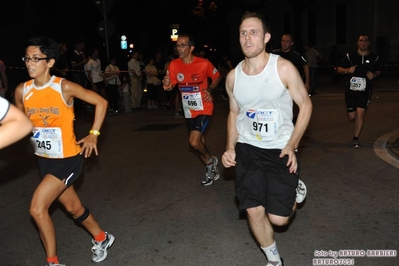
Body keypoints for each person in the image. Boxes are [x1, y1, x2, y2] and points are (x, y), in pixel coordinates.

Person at [221, 12, 312, 266]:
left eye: (254, 32)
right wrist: (230, 146)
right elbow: (233, 113)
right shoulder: (233, 77)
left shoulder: (282, 68)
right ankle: (273, 260)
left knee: (279, 220)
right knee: (253, 208)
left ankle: (295, 188)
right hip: (248, 149)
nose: (247, 38)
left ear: (266, 37)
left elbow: (305, 105)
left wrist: (292, 144)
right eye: (243, 33)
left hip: (280, 149)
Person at [14, 36, 114, 266]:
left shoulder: (63, 86)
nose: (29, 63)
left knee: (37, 209)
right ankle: (102, 238)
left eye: (36, 59)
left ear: (49, 62)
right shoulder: (23, 90)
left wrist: (94, 133)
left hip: (67, 159)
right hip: (45, 160)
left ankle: (53, 263)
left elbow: (101, 102)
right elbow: (19, 122)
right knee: (73, 207)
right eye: (27, 58)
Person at [163, 33, 222, 186]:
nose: (179, 48)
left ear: (191, 48)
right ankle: (211, 169)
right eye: (177, 46)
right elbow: (171, 85)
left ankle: (211, 161)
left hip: (204, 107)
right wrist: (167, 85)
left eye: (183, 45)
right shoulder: (174, 65)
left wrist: (210, 89)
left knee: (193, 142)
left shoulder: (203, 63)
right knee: (199, 143)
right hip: (189, 109)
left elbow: (217, 76)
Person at [337, 33, 381, 149]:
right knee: (352, 116)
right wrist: (347, 70)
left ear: (369, 43)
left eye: (365, 41)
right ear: (358, 42)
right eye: (361, 40)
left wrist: (374, 74)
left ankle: (356, 139)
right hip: (351, 91)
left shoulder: (374, 57)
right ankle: (354, 125)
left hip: (365, 91)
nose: (363, 43)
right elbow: (339, 69)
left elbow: (379, 70)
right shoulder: (350, 56)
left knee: (360, 114)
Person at [69, 40, 89, 116]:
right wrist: (83, 61)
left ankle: (82, 108)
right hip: (76, 74)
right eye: (82, 45)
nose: (83, 47)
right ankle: (78, 110)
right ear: (78, 46)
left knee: (83, 90)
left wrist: (83, 57)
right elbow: (73, 65)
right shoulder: (73, 54)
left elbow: (84, 62)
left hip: (81, 73)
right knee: (78, 91)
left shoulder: (80, 53)